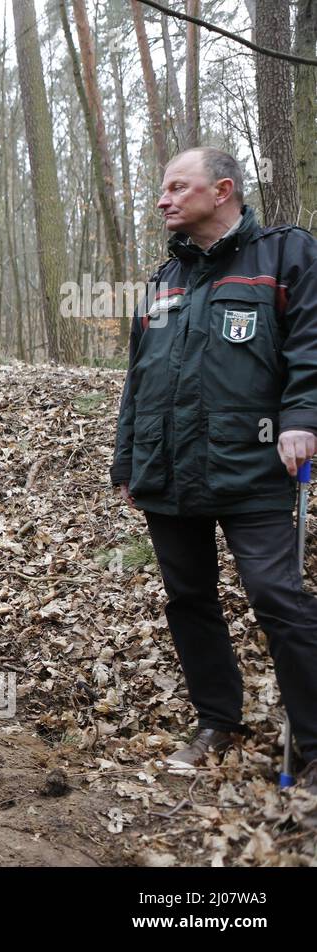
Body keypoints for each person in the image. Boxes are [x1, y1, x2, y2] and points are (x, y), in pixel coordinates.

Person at [112, 146, 317, 792]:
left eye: (178, 187)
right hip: (169, 471)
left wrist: (301, 417)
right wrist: (126, 458)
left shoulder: (285, 256)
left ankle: (313, 744)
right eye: (162, 189)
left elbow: (311, 343)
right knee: (188, 598)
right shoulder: (163, 280)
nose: (163, 199)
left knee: (276, 597)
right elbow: (138, 379)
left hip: (253, 467)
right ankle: (216, 720)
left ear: (222, 190)